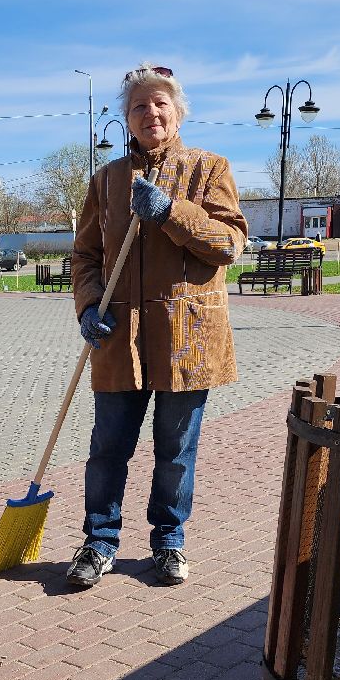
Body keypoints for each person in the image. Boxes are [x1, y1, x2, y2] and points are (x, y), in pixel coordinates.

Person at [66, 63, 247, 590]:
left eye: (159, 104)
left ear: (178, 111)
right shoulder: (106, 179)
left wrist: (171, 211)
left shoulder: (210, 169)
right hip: (118, 338)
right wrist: (88, 306)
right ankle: (99, 542)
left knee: (175, 452)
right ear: (126, 118)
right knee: (107, 450)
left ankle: (169, 542)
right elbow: (85, 256)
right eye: (139, 106)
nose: (151, 113)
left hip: (187, 339)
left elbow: (227, 244)